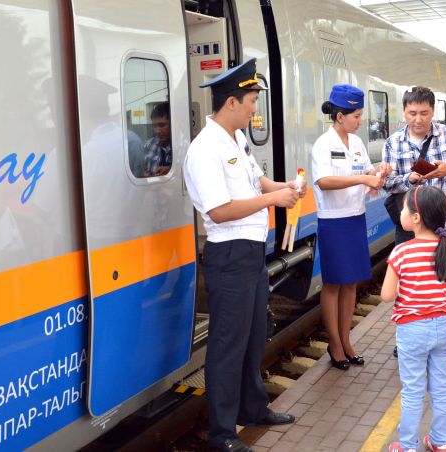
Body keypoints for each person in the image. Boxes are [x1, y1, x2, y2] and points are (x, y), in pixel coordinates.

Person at [183, 58, 303, 452]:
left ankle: (253, 408)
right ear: (232, 102)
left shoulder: (237, 140)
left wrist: (281, 186)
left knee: (253, 335)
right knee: (228, 342)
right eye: (252, 100)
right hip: (229, 254)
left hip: (251, 252)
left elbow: (255, 180)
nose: (256, 109)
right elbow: (218, 211)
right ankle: (221, 433)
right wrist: (272, 199)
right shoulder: (205, 150)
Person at [382, 186, 446, 452]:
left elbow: (387, 295)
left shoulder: (401, 253)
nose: (401, 213)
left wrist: (411, 289)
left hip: (412, 330)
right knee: (442, 387)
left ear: (416, 217)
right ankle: (441, 442)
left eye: (404, 209)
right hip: (443, 328)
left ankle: (408, 445)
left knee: (412, 389)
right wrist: (443, 289)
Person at [311, 84, 391, 370]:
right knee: (333, 283)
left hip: (355, 217)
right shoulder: (323, 144)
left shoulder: (356, 144)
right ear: (340, 115)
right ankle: (335, 344)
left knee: (351, 282)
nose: (361, 121)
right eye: (356, 116)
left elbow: (364, 170)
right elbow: (324, 181)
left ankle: (346, 340)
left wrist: (377, 171)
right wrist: (362, 180)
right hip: (333, 221)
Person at [382, 86, 446, 252]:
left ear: (433, 111)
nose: (418, 119)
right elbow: (387, 183)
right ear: (404, 111)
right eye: (412, 113)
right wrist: (407, 179)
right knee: (409, 277)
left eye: (424, 113)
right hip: (409, 229)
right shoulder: (392, 142)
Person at [143, 102, 172, 176]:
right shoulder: (149, 145)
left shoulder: (185, 146)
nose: (157, 131)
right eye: (154, 126)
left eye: (162, 125)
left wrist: (170, 169)